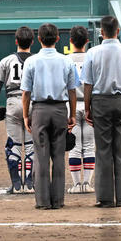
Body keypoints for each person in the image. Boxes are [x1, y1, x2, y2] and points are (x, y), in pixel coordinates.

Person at [82, 14, 121, 208]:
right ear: (118, 31)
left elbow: (88, 84)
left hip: (100, 102)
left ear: (101, 32)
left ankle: (105, 197)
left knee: (103, 150)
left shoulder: (93, 52)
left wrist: (88, 107)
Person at [21, 23, 79, 210]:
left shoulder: (31, 61)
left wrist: (25, 116)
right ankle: (58, 200)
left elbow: (26, 93)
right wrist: (71, 114)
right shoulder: (66, 61)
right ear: (57, 38)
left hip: (39, 109)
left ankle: (43, 201)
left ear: (38, 39)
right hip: (60, 109)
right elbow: (72, 91)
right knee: (59, 156)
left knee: (41, 156)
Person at [0, 26, 35, 195]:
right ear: (32, 41)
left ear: (16, 41)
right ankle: (30, 184)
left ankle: (16, 185)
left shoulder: (6, 61)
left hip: (13, 102)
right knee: (31, 146)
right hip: (32, 102)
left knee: (13, 145)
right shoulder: (37, 60)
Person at [66, 26, 96, 193]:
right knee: (89, 146)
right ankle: (87, 184)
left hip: (72, 105)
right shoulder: (92, 58)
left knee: (75, 146)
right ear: (87, 41)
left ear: (70, 41)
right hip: (90, 105)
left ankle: (77, 185)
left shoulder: (65, 60)